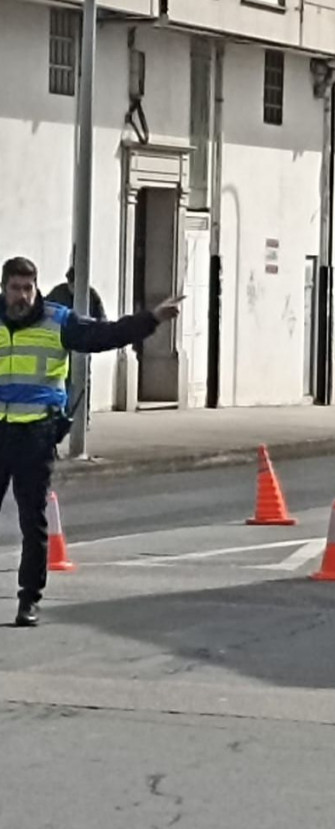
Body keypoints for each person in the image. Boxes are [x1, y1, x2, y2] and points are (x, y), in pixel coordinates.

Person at [0, 256, 181, 627]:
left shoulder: (58, 321)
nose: (22, 296)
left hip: (35, 435)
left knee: (32, 522)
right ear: (3, 288)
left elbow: (106, 334)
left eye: (28, 288)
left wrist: (152, 319)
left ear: (36, 288)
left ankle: (28, 600)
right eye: (15, 288)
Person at [46, 266, 106, 429]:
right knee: (63, 381)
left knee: (82, 380)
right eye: (72, 284)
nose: (75, 288)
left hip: (81, 344)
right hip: (60, 344)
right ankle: (63, 416)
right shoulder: (58, 293)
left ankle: (82, 416)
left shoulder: (91, 295)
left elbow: (102, 320)